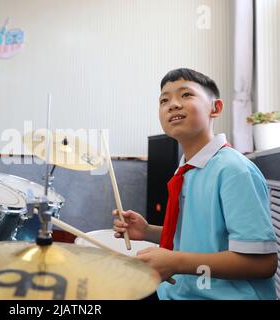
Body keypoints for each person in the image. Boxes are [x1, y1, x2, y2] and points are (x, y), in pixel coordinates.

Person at [113, 68, 278, 300]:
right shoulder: (187, 169)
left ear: (215, 108)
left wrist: (176, 262)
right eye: (164, 100)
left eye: (186, 95)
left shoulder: (234, 171)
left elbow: (262, 264)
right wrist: (148, 231)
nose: (173, 104)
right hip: (179, 290)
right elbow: (199, 241)